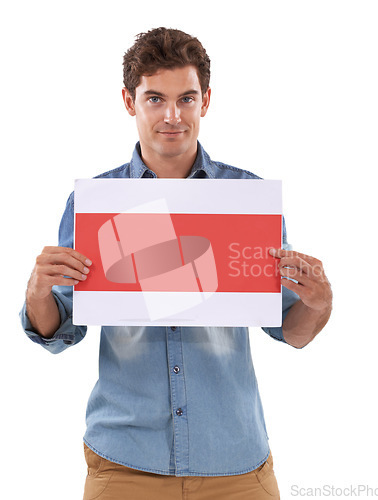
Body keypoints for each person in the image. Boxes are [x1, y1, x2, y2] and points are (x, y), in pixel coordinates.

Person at [20, 27, 332, 500]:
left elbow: (291, 330)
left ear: (206, 101)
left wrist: (320, 303)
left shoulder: (247, 201)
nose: (172, 115)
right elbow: (60, 332)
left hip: (235, 461)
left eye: (186, 98)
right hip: (125, 462)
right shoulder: (95, 204)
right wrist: (37, 294)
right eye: (155, 99)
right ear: (129, 101)